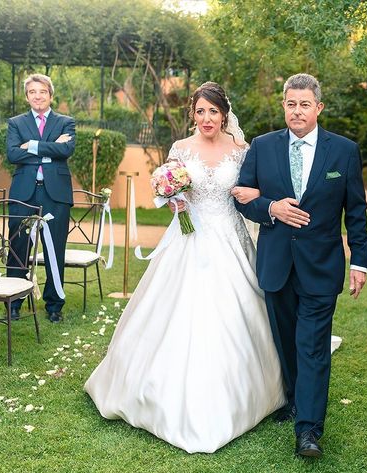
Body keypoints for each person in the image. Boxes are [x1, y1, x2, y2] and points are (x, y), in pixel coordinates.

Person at [85, 82, 285, 454]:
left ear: (224, 113)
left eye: (212, 111)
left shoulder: (243, 150)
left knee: (240, 309)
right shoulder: (180, 149)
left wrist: (253, 197)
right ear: (192, 114)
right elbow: (163, 189)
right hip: (187, 238)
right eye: (199, 111)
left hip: (229, 237)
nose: (206, 118)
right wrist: (172, 197)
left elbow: (250, 192)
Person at [235, 73, 367, 458]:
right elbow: (241, 198)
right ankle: (295, 397)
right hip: (276, 264)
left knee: (312, 346)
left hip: (321, 266)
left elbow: (356, 211)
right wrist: (271, 208)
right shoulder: (262, 147)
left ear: (318, 108)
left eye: (305, 104)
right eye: (291, 104)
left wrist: (360, 259)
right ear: (284, 106)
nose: (297, 111)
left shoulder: (343, 151)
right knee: (288, 342)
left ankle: (309, 429)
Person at [6, 73, 75, 323]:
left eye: (42, 91)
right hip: (23, 192)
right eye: (33, 92)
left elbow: (66, 149)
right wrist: (49, 148)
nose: (38, 96)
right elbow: (13, 154)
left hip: (55, 193)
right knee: (18, 248)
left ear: (50, 95)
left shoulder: (66, 122)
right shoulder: (16, 123)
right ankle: (14, 301)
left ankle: (54, 305)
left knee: (55, 248)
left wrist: (31, 146)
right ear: (27, 96)